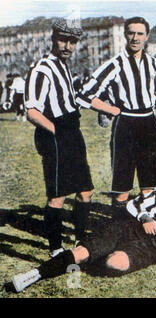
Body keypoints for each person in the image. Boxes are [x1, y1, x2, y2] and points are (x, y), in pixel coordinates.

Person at [8, 171, 156, 293]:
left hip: (152, 249)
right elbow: (133, 204)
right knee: (82, 253)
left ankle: (81, 260)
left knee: (114, 263)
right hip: (130, 228)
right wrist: (145, 217)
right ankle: (34, 275)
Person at [76, 17, 156, 218]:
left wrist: (154, 96)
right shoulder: (114, 64)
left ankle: (145, 231)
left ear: (147, 37)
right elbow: (83, 94)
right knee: (122, 186)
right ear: (125, 35)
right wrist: (110, 109)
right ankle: (117, 229)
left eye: (140, 33)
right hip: (125, 124)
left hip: (149, 123)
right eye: (131, 33)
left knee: (149, 185)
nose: (135, 38)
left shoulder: (154, 64)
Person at [23, 19, 94, 256]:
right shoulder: (41, 69)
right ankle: (55, 248)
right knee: (58, 196)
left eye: (72, 41)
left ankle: (81, 240)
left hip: (72, 131)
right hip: (54, 134)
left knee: (85, 192)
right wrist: (57, 132)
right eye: (63, 39)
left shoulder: (64, 67)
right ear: (53, 38)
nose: (67, 45)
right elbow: (32, 110)